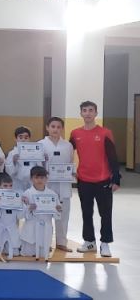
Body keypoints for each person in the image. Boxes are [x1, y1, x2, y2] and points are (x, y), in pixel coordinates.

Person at [70, 101, 120, 257]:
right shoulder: (75, 133)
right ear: (81, 113)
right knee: (86, 213)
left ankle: (105, 243)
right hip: (84, 180)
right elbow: (66, 151)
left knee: (105, 214)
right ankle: (89, 241)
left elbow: (113, 156)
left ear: (96, 113)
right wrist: (69, 171)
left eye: (91, 110)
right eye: (84, 110)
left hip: (103, 180)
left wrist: (116, 178)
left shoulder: (105, 133)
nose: (87, 113)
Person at [40, 117, 75, 252]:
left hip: (64, 184)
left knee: (63, 214)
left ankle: (61, 242)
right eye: (53, 126)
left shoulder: (68, 145)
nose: (55, 129)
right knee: (46, 214)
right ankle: (45, 242)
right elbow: (37, 166)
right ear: (47, 128)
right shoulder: (41, 144)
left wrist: (72, 173)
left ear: (62, 129)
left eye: (58, 127)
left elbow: (70, 163)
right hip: (47, 184)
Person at [20, 166, 63, 259]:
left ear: (46, 179)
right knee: (28, 256)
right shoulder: (27, 193)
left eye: (42, 177)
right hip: (31, 228)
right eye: (36, 177)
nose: (39, 180)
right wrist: (29, 208)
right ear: (31, 179)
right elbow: (21, 214)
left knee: (43, 256)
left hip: (46, 228)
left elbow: (57, 215)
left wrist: (58, 209)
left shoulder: (52, 194)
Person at [0, 173, 21, 259]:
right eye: (5, 186)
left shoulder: (16, 198)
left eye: (10, 186)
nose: (8, 188)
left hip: (11, 229)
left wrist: (23, 203)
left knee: (15, 253)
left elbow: (20, 216)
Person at [5, 126, 43, 193]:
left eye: (26, 138)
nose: (23, 140)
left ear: (29, 139)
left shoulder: (34, 152)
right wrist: (14, 162)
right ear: (16, 139)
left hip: (32, 183)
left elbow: (39, 167)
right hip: (17, 183)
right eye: (20, 137)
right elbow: (9, 171)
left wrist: (43, 159)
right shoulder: (12, 153)